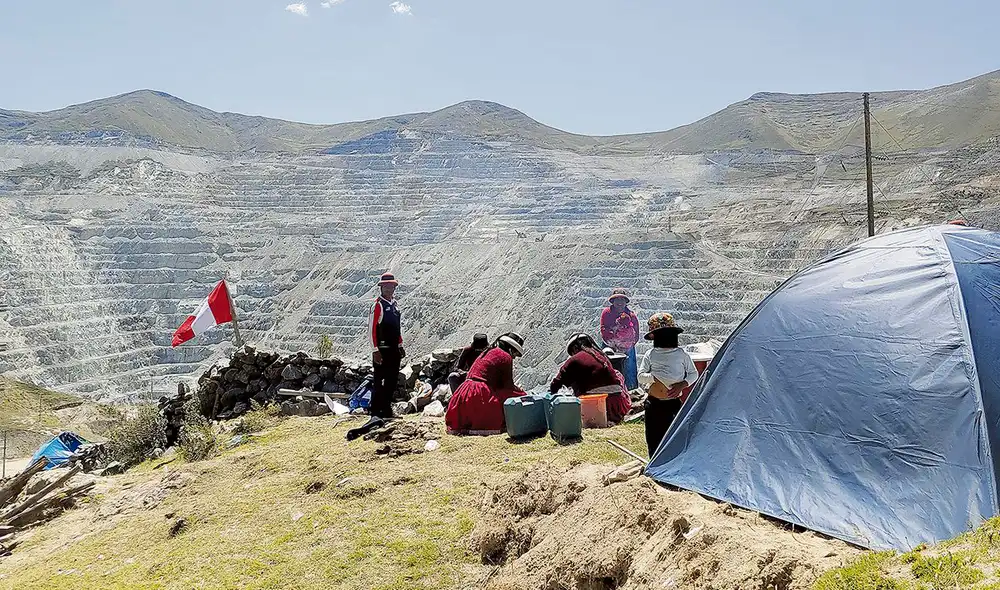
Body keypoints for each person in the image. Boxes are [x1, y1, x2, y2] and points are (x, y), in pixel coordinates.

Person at [638, 313, 698, 458]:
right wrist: (653, 378)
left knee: (673, 435)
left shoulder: (681, 355)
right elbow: (640, 376)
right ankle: (654, 463)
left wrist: (682, 385)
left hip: (673, 404)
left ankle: (672, 463)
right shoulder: (650, 354)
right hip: (654, 404)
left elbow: (693, 374)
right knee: (654, 437)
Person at [445, 334, 526, 435]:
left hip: (464, 393)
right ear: (510, 349)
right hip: (479, 393)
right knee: (519, 396)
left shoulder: (489, 352)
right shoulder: (505, 357)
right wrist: (522, 392)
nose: (513, 357)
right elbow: (508, 387)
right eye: (514, 353)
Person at [549, 334, 632, 423]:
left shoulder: (575, 360)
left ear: (575, 348)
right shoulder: (602, 356)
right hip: (617, 404)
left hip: (594, 406)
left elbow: (556, 384)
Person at [368, 272, 406, 419]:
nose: (389, 289)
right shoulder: (378, 306)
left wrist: (400, 344)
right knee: (380, 380)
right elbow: (371, 330)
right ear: (381, 287)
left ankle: (387, 410)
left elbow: (397, 327)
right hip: (382, 350)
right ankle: (376, 411)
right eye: (386, 286)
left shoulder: (395, 305)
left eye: (392, 286)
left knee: (391, 380)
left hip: (394, 349)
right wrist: (375, 350)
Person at [600, 288, 640, 390]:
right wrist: (613, 343)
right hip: (609, 345)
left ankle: (631, 390)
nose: (619, 302)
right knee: (606, 368)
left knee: (629, 369)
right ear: (612, 302)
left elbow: (636, 335)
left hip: (627, 346)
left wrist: (626, 345)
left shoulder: (632, 316)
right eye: (617, 300)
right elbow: (604, 329)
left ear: (625, 302)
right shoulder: (606, 313)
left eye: (622, 300)